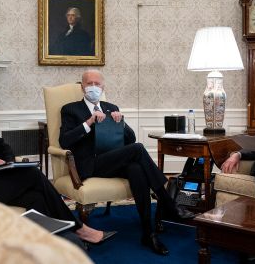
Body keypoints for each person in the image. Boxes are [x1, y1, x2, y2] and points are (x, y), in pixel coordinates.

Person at [0, 75, 114, 249]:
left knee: (37, 197)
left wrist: (9, 164)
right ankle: (79, 229)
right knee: (32, 174)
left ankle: (60, 240)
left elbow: (2, 147)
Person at [59, 69, 195, 255]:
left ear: (103, 86)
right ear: (82, 86)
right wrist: (89, 122)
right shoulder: (70, 109)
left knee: (137, 169)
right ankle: (167, 202)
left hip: (113, 160)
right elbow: (64, 141)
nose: (93, 87)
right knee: (139, 149)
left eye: (97, 84)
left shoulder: (110, 106)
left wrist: (121, 123)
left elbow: (129, 140)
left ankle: (148, 233)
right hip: (90, 164)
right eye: (89, 83)